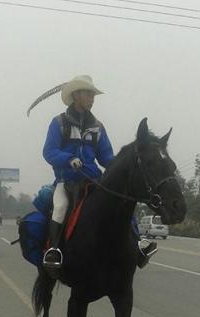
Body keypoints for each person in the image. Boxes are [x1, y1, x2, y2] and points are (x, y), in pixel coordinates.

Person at [37, 74, 156, 270]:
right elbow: (49, 151)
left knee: (121, 203)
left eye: (93, 96)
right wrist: (68, 159)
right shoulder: (58, 123)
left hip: (93, 180)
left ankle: (138, 245)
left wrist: (120, 168)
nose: (92, 99)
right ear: (76, 96)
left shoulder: (98, 127)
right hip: (66, 181)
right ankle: (54, 250)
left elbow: (106, 157)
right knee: (60, 207)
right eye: (88, 95)